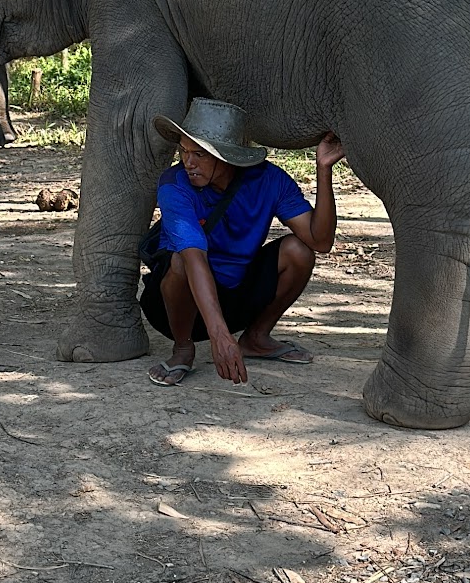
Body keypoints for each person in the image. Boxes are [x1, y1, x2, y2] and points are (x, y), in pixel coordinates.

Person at [139, 98, 346, 387]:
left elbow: (320, 241)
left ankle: (256, 338)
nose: (188, 162)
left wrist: (324, 171)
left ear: (227, 156)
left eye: (199, 154)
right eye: (184, 151)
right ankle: (183, 349)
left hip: (235, 296)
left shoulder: (270, 180)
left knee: (299, 251)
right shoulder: (174, 184)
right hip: (175, 303)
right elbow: (194, 257)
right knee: (180, 261)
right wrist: (220, 336)